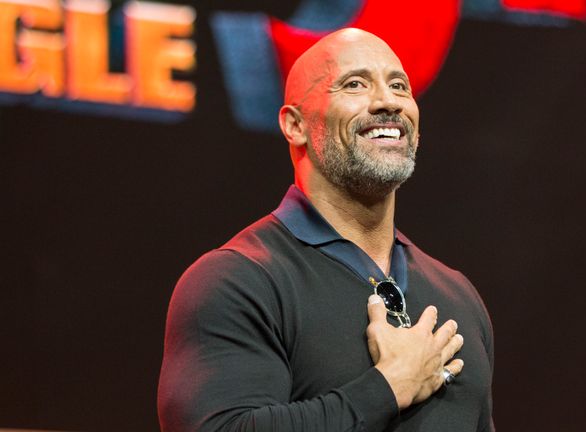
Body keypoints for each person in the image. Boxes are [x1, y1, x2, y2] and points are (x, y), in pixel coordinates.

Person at [158, 28, 494, 431]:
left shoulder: (458, 296)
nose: (388, 102)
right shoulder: (237, 281)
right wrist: (388, 388)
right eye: (355, 84)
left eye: (399, 86)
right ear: (295, 125)